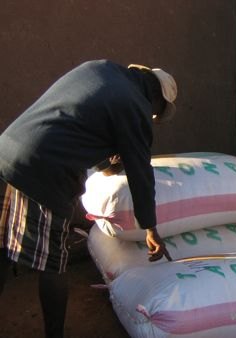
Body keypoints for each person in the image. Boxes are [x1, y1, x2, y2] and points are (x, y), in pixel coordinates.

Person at [0, 59, 175, 337]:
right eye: (155, 114)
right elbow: (141, 173)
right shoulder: (135, 106)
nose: (151, 118)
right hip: (45, 167)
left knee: (4, 243)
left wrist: (109, 163)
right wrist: (150, 227)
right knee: (52, 259)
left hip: (10, 149)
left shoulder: (101, 70)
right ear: (156, 100)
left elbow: (79, 126)